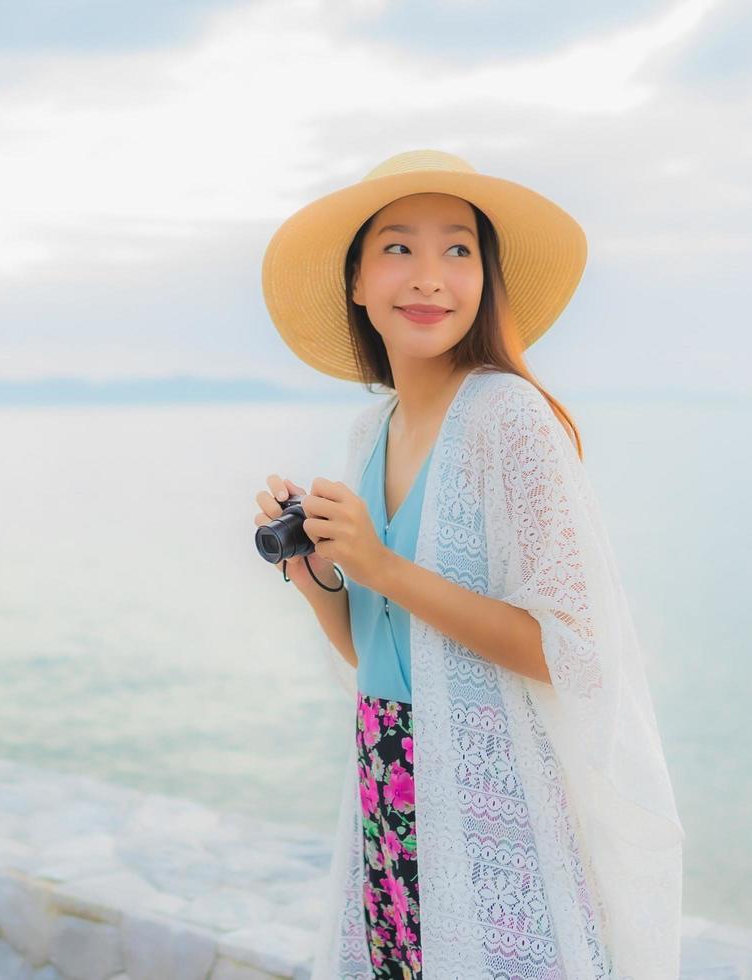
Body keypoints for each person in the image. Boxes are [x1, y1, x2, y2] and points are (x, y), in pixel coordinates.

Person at [253, 150, 685, 979]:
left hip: (493, 798)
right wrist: (320, 582)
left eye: (458, 251)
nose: (429, 278)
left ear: (486, 281)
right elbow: (382, 656)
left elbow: (572, 651)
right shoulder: (368, 433)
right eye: (398, 249)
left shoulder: (507, 417)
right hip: (388, 775)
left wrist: (380, 565)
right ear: (355, 282)